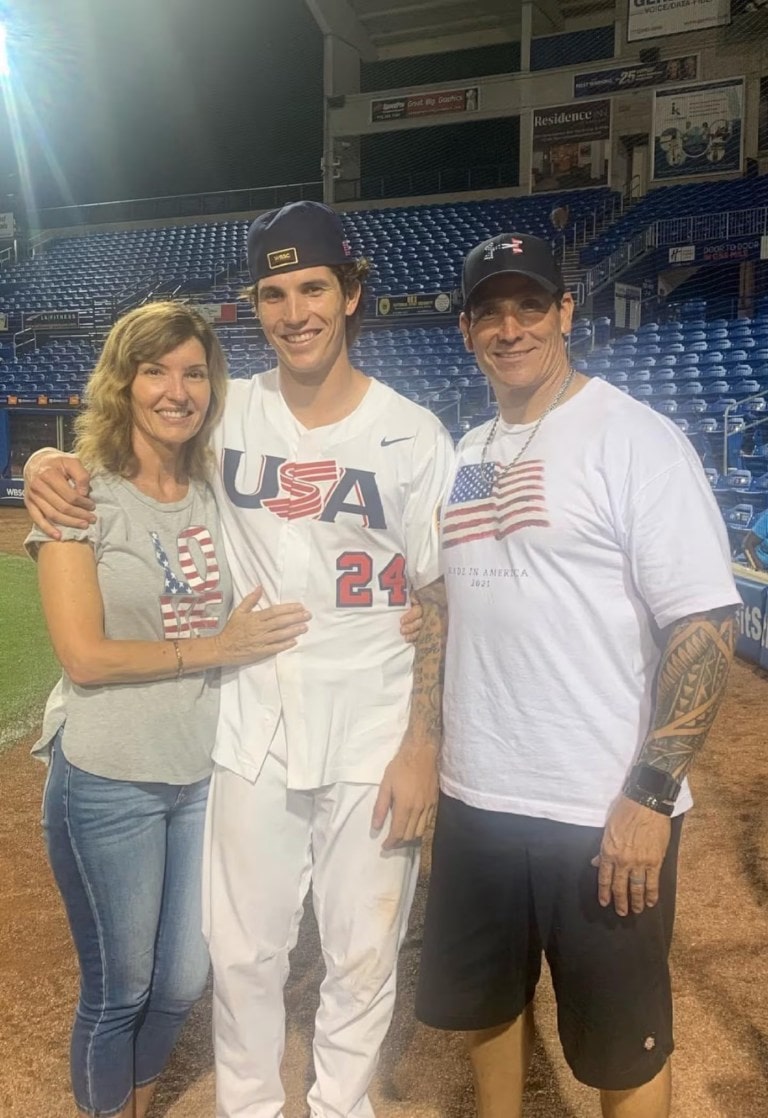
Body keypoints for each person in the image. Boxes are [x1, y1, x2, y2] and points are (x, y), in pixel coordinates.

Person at [24, 201, 453, 1118]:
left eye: (312, 288)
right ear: (255, 306)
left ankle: (343, 1106)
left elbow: (439, 593)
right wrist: (43, 465)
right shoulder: (229, 411)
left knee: (363, 952)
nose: (294, 311)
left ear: (352, 292)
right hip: (252, 723)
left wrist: (424, 741)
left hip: (374, 731)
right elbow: (127, 443)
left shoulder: (414, 433)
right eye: (272, 292)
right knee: (244, 952)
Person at [414, 232, 740, 1118]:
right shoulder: (465, 446)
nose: (509, 326)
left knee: (619, 1043)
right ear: (467, 329)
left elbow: (706, 621)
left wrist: (650, 794)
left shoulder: (635, 437)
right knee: (488, 1009)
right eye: (489, 310)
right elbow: (440, 603)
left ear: (566, 311)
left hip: (599, 805)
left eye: (530, 305)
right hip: (478, 793)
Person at [25, 302, 311, 1118]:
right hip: (109, 776)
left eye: (193, 372)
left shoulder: (220, 487)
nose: (175, 391)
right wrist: (217, 648)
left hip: (200, 776)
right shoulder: (84, 497)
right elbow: (85, 656)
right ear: (124, 382)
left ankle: (135, 1105)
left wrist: (400, 607)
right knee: (123, 986)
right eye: (155, 371)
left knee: (184, 978)